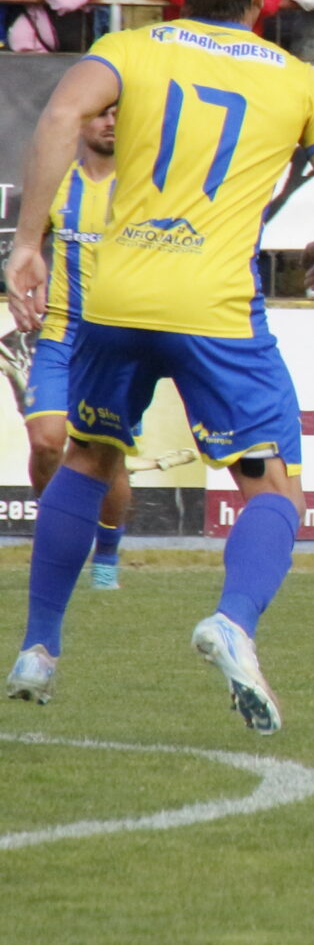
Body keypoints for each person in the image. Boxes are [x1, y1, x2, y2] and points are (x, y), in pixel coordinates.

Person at [5, 0, 314, 730]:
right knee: (272, 485)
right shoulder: (298, 79)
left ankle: (38, 648)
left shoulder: (130, 51)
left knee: (90, 457)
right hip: (213, 306)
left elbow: (60, 117)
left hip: (116, 297)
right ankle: (233, 620)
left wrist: (28, 245)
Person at [7, 102, 133, 590]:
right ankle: (55, 537)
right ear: (82, 123)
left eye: (119, 114)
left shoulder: (144, 188)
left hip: (117, 340)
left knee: (106, 457)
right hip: (61, 335)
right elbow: (27, 247)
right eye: (100, 114)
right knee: (46, 443)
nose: (109, 122)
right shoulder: (58, 185)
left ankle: (106, 557)